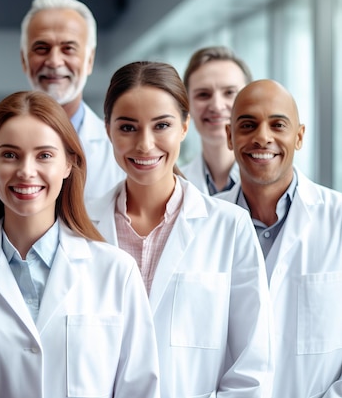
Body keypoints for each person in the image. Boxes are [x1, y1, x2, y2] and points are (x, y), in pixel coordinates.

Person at [0, 91, 160, 398]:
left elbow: (139, 390)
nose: (26, 171)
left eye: (44, 155)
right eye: (10, 155)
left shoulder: (116, 272)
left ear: (68, 164)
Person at [86, 61, 272, 397]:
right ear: (108, 129)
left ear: (185, 127)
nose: (145, 144)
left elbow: (252, 367)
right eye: (128, 127)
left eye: (162, 125)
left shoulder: (229, 226)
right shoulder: (80, 227)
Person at [217, 79, 342, 397]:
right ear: (229, 137)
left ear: (299, 136)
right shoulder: (206, 226)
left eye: (278, 124)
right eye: (248, 125)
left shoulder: (337, 219)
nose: (262, 137)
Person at [20, 0, 124, 198]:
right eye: (42, 48)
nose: (54, 61)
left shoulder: (117, 151)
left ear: (89, 60)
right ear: (24, 59)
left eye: (68, 49)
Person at [180, 46, 252, 195]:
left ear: (250, 100)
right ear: (188, 104)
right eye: (203, 94)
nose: (217, 106)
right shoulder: (175, 186)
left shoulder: (274, 183)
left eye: (229, 92)